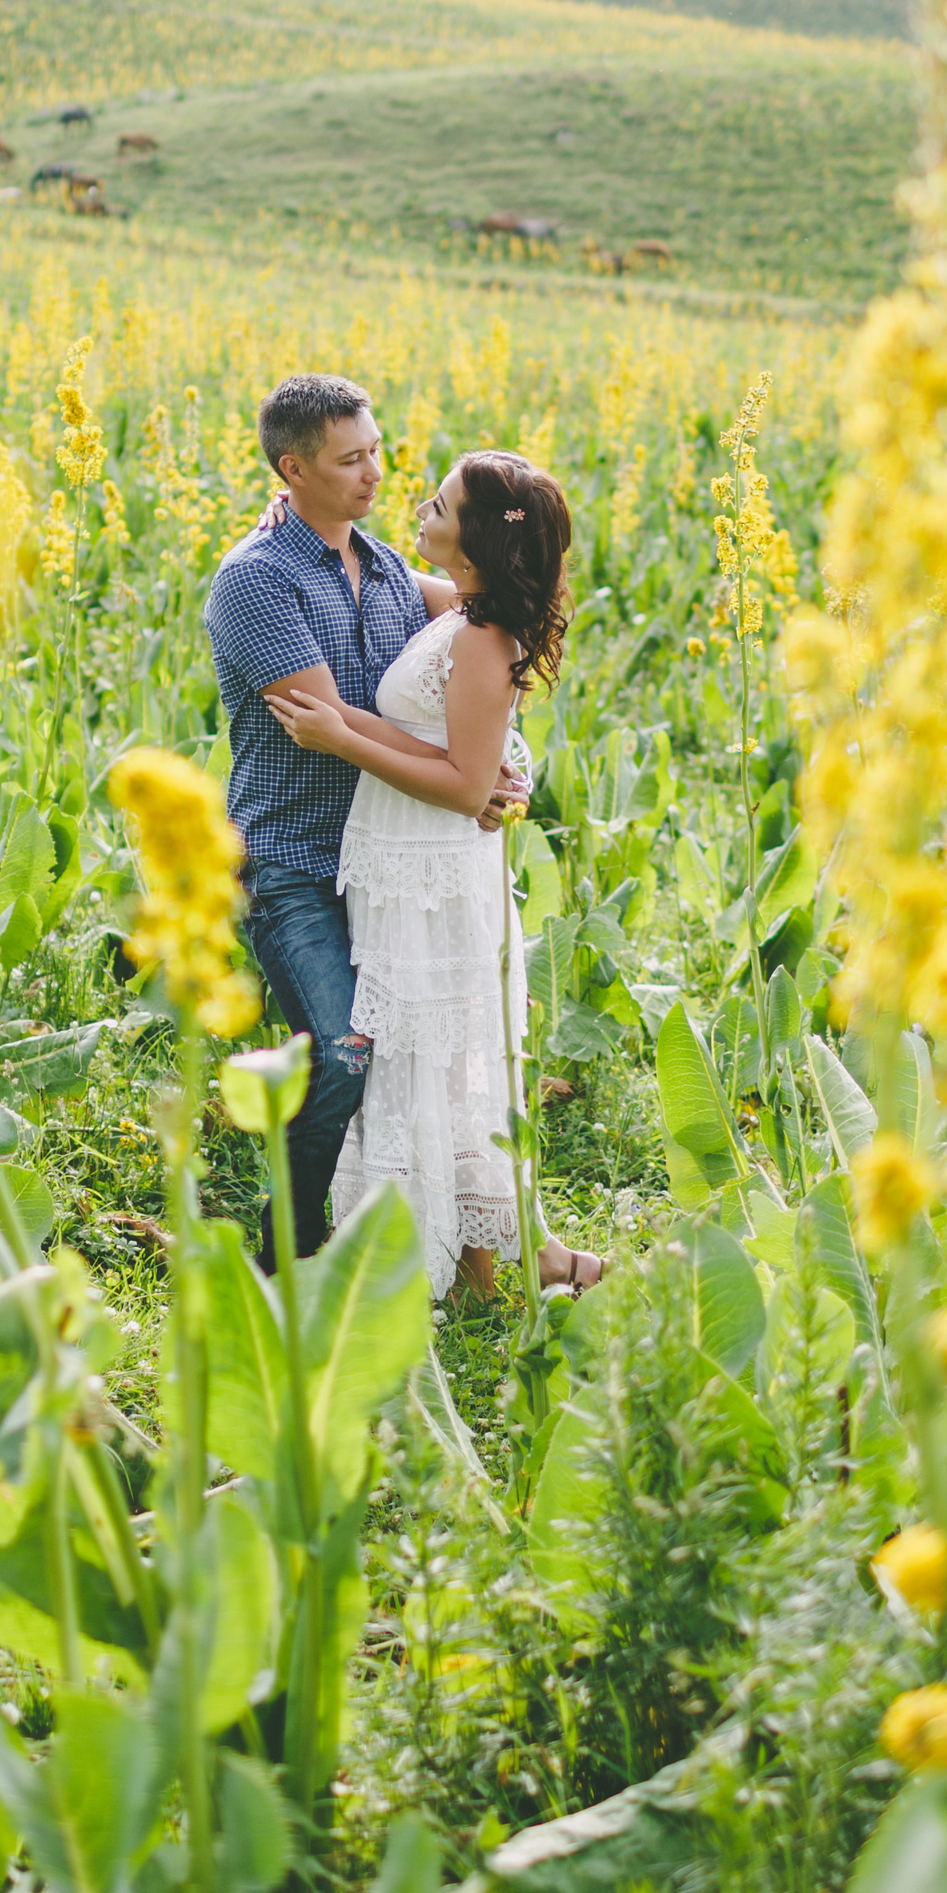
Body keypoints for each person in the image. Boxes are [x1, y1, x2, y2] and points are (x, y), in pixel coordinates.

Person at [204, 374, 524, 1262]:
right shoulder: (255, 583)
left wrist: (500, 767)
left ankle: (448, 1239)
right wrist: (466, 775)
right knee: (344, 1050)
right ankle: (289, 1253)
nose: (375, 473)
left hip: (388, 865)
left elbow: (486, 625)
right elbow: (327, 723)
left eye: (377, 450)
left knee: (415, 1057)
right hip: (295, 863)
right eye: (351, 460)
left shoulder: (383, 565)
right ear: (291, 469)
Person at [270, 450, 603, 1302]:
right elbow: (372, 566)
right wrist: (289, 517)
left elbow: (464, 786)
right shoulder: (460, 606)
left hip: (434, 872)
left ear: (476, 538)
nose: (418, 506)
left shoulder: (485, 637)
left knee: (434, 1060)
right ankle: (478, 1260)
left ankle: (490, 1263)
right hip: (400, 866)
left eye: (440, 504)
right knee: (413, 1059)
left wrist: (341, 738)